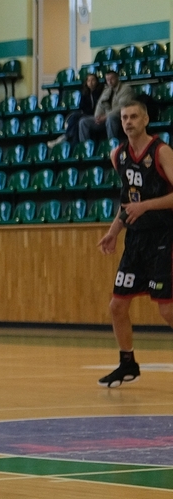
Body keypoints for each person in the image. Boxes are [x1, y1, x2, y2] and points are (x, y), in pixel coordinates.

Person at [96, 97, 173, 387]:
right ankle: (127, 364)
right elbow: (129, 201)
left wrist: (147, 206)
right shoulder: (119, 155)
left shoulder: (162, 151)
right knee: (117, 305)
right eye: (124, 117)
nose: (128, 122)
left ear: (145, 120)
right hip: (136, 239)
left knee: (167, 309)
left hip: (165, 237)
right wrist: (114, 231)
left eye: (133, 117)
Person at [79, 70, 131, 142]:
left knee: (110, 118)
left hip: (119, 117)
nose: (109, 81)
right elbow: (100, 104)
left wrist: (106, 116)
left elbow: (122, 107)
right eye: (107, 80)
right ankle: (85, 147)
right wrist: (97, 117)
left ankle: (112, 144)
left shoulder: (125, 89)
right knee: (83, 121)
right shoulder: (107, 90)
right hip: (105, 118)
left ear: (117, 78)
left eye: (112, 79)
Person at [63, 72, 103, 146]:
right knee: (76, 121)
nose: (91, 82)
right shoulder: (85, 93)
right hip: (87, 115)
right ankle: (74, 142)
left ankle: (66, 136)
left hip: (96, 115)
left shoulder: (101, 92)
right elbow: (82, 107)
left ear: (97, 81)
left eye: (93, 80)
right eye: (89, 80)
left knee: (76, 117)